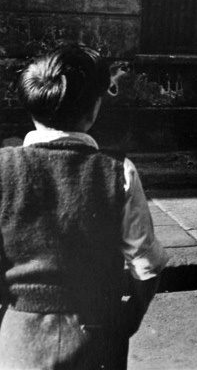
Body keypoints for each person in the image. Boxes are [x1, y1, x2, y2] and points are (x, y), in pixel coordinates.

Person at [0, 42, 168, 370]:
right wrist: (127, 320)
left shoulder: (2, 169)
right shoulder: (117, 171)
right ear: (94, 108)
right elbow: (147, 265)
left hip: (18, 340)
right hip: (95, 338)